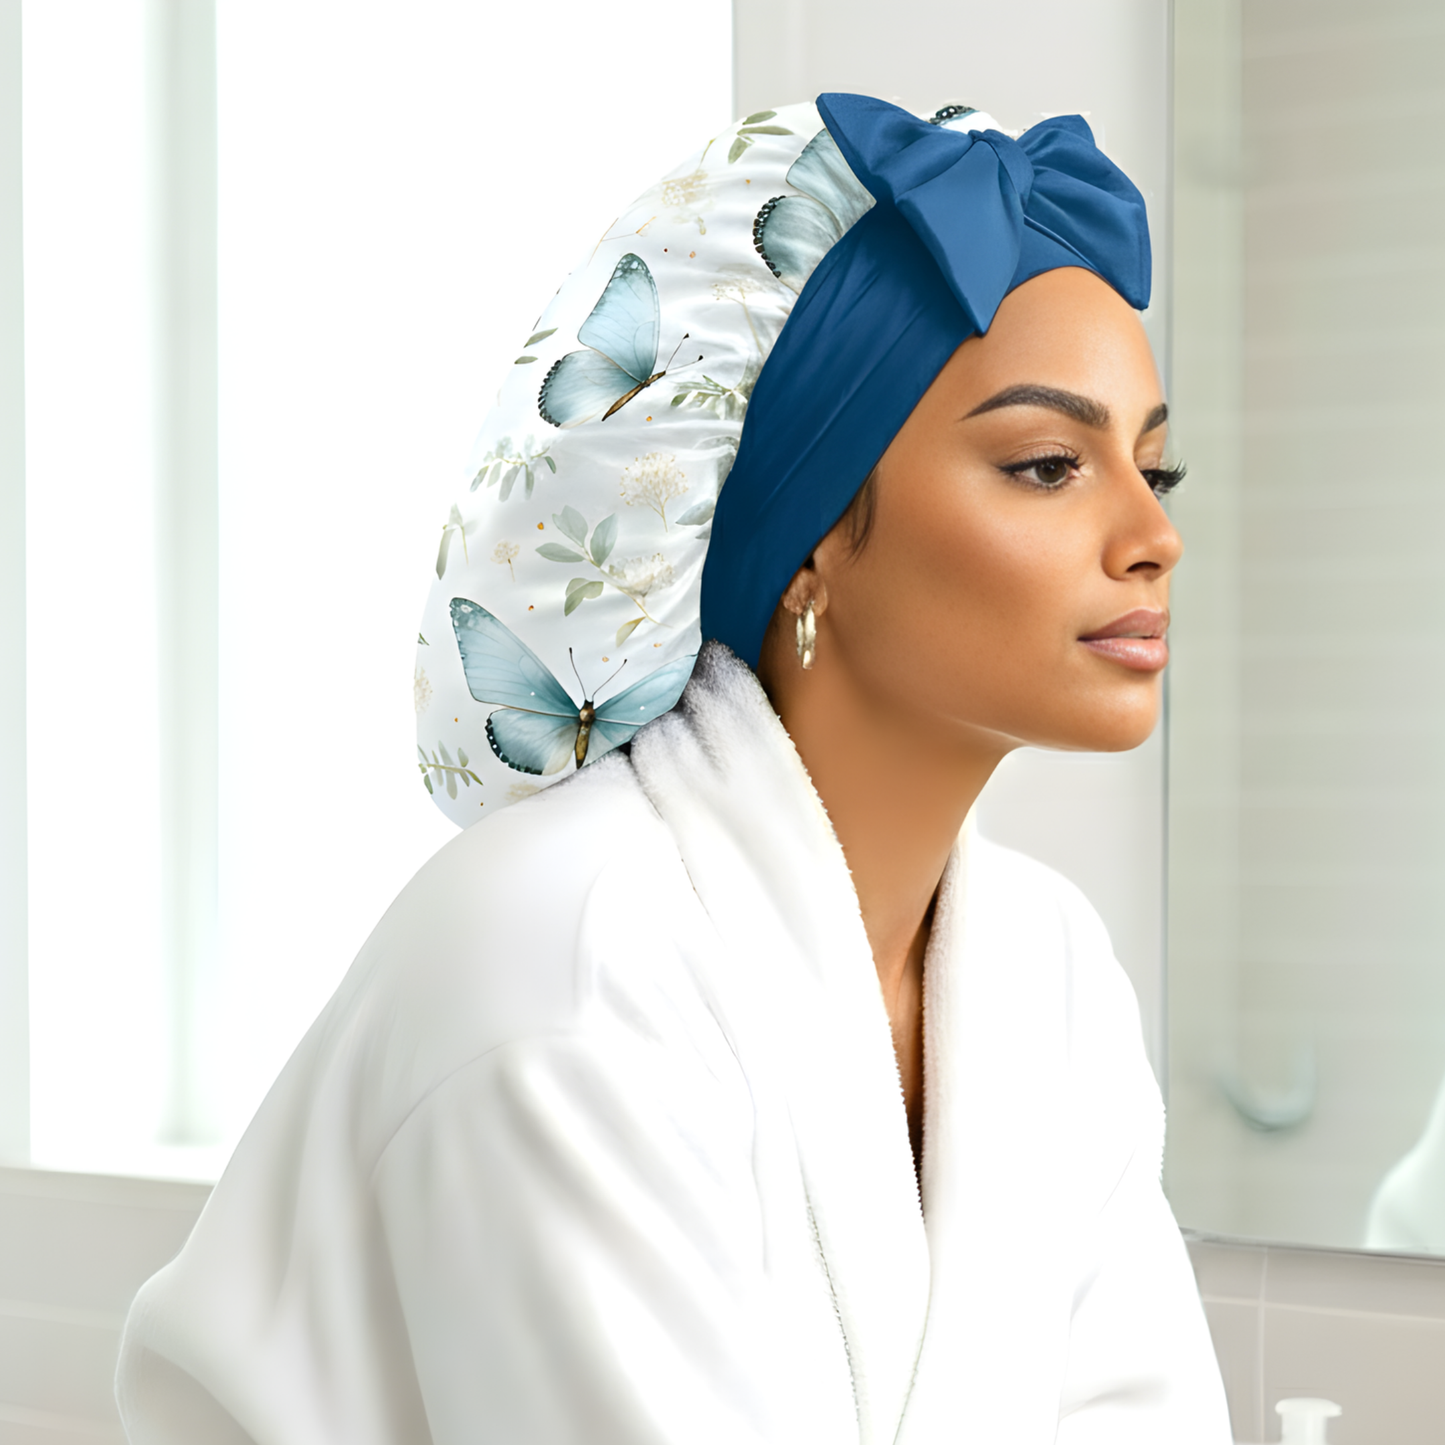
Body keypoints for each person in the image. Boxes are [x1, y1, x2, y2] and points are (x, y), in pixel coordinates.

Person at [116, 93, 1232, 1444]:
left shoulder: (1048, 977)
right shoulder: (565, 962)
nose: (1150, 537)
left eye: (1154, 471)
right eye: (1049, 464)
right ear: (814, 537)